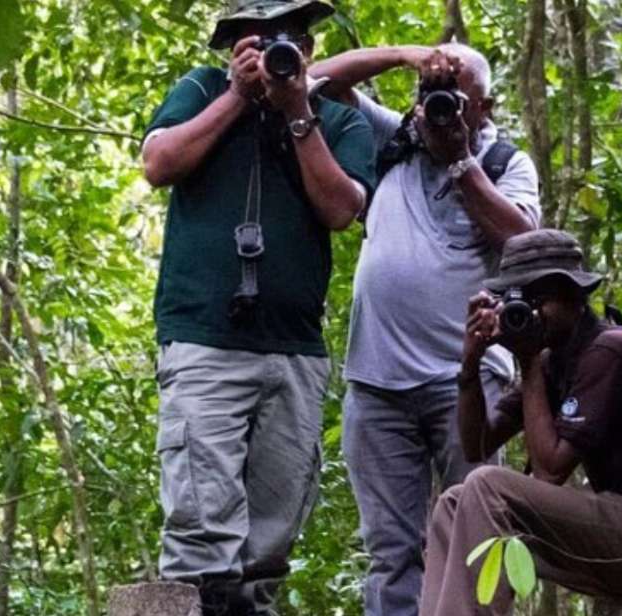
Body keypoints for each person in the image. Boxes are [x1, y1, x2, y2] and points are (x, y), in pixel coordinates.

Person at [140, 1, 377, 614]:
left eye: (290, 38)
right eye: (258, 39)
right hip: (205, 340)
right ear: (231, 49)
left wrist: (297, 110)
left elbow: (341, 210)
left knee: (268, 547)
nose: (275, 50)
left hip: (293, 351)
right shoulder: (199, 89)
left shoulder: (337, 122)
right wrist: (238, 98)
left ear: (310, 52)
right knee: (199, 536)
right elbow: (159, 163)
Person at [309, 46, 540, 616]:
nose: (440, 107)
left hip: (465, 383)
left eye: (455, 96)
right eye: (432, 93)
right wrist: (406, 57)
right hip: (376, 383)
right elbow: (317, 81)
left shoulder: (507, 161)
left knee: (478, 542)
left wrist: (461, 161)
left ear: (485, 106)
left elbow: (523, 245)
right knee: (391, 554)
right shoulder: (394, 139)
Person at [419, 229, 622, 615]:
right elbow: (477, 445)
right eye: (518, 300)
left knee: (488, 487)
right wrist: (470, 366)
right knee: (455, 502)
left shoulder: (609, 351)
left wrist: (529, 361)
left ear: (575, 294)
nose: (531, 312)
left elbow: (550, 471)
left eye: (540, 298)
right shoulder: (560, 360)